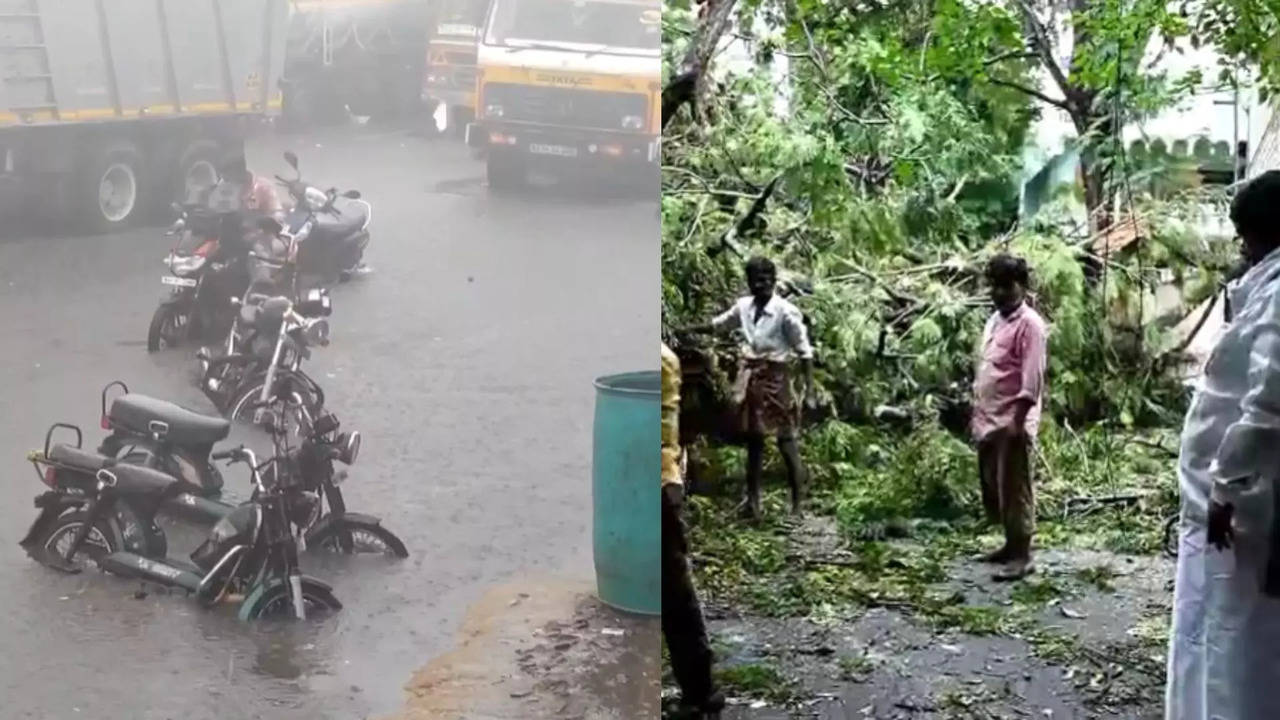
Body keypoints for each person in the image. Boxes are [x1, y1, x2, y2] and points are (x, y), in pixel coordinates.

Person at [1166, 169, 1280, 720]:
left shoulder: (1279, 295)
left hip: (1236, 516)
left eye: (1244, 234)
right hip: (1219, 513)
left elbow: (1269, 408)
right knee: (1209, 633)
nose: (1241, 247)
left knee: (1233, 648)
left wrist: (1227, 489)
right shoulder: (1265, 289)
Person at [688, 256, 815, 519]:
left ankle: (797, 506)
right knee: (754, 441)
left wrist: (810, 390)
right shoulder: (743, 307)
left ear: (774, 280)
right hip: (752, 377)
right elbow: (717, 325)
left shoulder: (786, 312)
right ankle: (753, 503)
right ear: (748, 282)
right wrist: (684, 330)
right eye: (756, 280)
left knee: (786, 440)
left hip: (776, 378)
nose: (761, 285)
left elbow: (805, 353)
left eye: (766, 280)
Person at [971, 253, 1047, 582]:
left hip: (1012, 420)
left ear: (1022, 286)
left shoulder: (1030, 325)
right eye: (995, 286)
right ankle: (1009, 544)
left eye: (1007, 286)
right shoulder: (996, 321)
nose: (999, 292)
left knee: (1016, 487)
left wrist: (1018, 419)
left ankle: (1023, 555)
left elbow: (1032, 378)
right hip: (989, 418)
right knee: (995, 485)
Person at [662, 342, 725, 717]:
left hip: (656, 482)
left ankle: (701, 691)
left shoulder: (661, 360)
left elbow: (665, 435)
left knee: (673, 589)